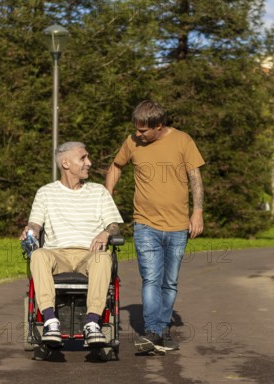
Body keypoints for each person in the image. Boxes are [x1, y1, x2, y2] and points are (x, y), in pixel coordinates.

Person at [105, 100, 204, 353]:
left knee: (169, 282)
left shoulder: (183, 141)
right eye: (136, 129)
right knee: (151, 279)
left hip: (178, 225)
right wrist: (107, 197)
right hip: (145, 224)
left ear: (159, 126)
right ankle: (153, 331)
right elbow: (116, 166)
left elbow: (195, 177)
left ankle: (159, 331)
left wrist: (198, 212)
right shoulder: (132, 142)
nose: (138, 135)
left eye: (143, 131)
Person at [20, 141, 123, 346]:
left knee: (103, 259)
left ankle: (92, 323)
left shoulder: (99, 192)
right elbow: (34, 225)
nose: (89, 163)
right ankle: (50, 321)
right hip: (57, 254)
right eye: (83, 158)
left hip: (89, 254)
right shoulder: (46, 193)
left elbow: (114, 226)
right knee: (38, 254)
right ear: (66, 163)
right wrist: (29, 232)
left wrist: (105, 233)